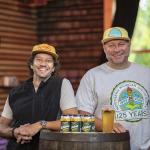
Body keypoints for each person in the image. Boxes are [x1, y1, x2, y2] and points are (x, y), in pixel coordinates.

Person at [76, 27, 150, 150]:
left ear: (129, 45)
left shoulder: (146, 73)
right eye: (111, 45)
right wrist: (108, 125)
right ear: (104, 48)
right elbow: (83, 116)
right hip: (107, 147)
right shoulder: (92, 76)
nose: (116, 49)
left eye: (121, 44)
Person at [0, 43, 78, 150]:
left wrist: (40, 125)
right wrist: (14, 132)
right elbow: (1, 126)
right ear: (31, 64)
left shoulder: (61, 84)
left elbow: (73, 122)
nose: (43, 64)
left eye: (48, 61)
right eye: (39, 59)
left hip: (48, 147)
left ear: (53, 68)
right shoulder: (15, 92)